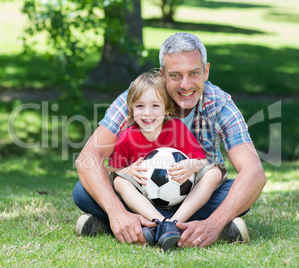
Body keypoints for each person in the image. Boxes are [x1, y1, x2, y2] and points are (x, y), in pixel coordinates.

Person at [73, 32, 267, 248]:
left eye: (194, 73)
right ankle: (143, 224)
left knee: (235, 191)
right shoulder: (140, 98)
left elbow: (254, 172)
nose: (185, 85)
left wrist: (214, 223)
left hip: (195, 199)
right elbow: (88, 157)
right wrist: (116, 210)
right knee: (83, 192)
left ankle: (147, 228)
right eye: (175, 75)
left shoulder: (219, 104)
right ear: (163, 75)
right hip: (140, 197)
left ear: (206, 71)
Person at [105, 70, 227, 250]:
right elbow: (111, 172)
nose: (147, 113)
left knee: (215, 173)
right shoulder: (127, 137)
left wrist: (191, 165)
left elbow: (202, 162)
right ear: (131, 109)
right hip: (143, 201)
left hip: (184, 200)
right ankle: (162, 223)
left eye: (155, 105)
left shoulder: (176, 128)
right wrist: (127, 171)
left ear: (167, 108)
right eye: (140, 106)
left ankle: (170, 224)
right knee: (118, 184)